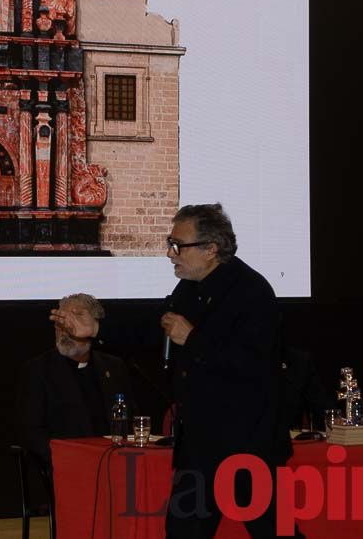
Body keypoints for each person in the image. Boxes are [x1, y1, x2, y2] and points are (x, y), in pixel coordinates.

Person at [51, 203, 297, 538]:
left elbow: (253, 364)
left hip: (247, 446)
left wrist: (193, 339)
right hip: (199, 445)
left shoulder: (251, 293)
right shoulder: (189, 290)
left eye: (178, 245)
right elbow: (153, 328)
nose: (170, 253)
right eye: (170, 243)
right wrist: (95, 328)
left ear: (211, 249)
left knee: (272, 531)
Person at [20, 293, 135, 470]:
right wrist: (68, 459)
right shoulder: (39, 370)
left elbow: (130, 419)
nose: (65, 327)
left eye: (75, 318)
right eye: (61, 319)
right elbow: (32, 432)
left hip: (117, 462)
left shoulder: (114, 367)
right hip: (68, 466)